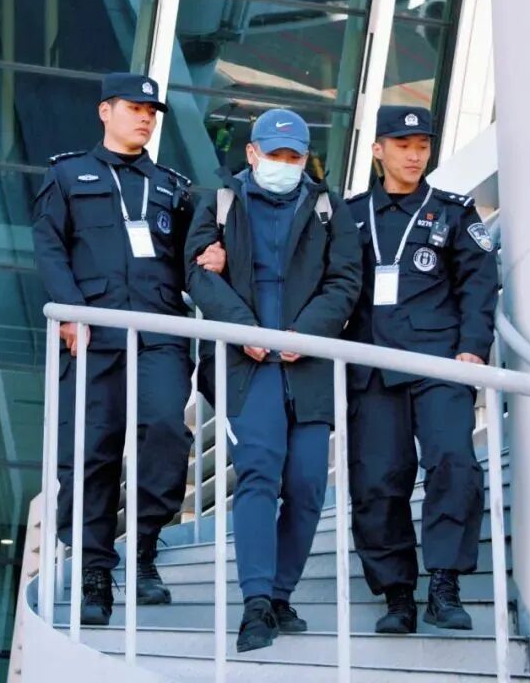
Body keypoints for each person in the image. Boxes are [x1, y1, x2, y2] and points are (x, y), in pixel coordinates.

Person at [31, 72, 224, 625]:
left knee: (165, 431)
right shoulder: (67, 175)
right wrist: (70, 311)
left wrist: (214, 254)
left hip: (160, 332)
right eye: (134, 108)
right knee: (92, 450)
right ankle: (94, 569)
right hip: (94, 333)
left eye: (151, 112)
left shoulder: (171, 186)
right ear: (105, 111)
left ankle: (141, 549)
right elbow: (49, 245)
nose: (144, 118)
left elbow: (194, 252)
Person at [184, 109, 361, 652]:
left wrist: (305, 333)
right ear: (252, 153)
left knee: (307, 485)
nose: (284, 164)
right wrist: (243, 330)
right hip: (248, 368)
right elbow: (195, 273)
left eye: (294, 156)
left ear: (306, 159)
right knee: (259, 474)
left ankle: (281, 594)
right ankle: (257, 602)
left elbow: (345, 281)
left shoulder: (329, 209)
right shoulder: (221, 202)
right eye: (275, 154)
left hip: (308, 366)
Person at [343, 106, 498, 634]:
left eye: (423, 146)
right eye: (403, 145)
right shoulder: (349, 215)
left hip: (439, 363)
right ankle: (397, 595)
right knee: (377, 481)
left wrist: (473, 348)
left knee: (454, 463)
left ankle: (445, 585)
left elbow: (479, 283)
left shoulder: (453, 212)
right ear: (377, 150)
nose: (414, 156)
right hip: (372, 367)